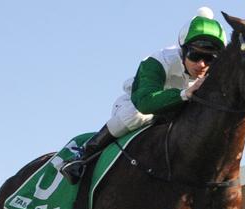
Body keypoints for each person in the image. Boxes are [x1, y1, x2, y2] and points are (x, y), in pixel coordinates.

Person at [60, 7, 227, 184]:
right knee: (138, 115)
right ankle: (84, 154)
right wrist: (185, 94)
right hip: (138, 106)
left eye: (210, 59)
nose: (202, 64)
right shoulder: (157, 61)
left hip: (178, 114)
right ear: (183, 50)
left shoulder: (214, 72)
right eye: (196, 55)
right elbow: (145, 102)